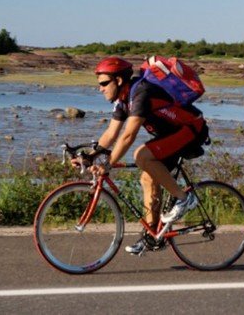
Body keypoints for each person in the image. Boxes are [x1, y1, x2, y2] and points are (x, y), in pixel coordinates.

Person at [87, 56, 207, 255]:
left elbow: (128, 135)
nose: (100, 88)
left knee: (141, 155)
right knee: (147, 177)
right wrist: (90, 156)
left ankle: (184, 198)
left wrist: (108, 164)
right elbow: (110, 134)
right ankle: (152, 236)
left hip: (191, 129)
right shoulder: (123, 101)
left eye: (104, 83)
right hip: (170, 134)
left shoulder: (141, 92)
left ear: (118, 81)